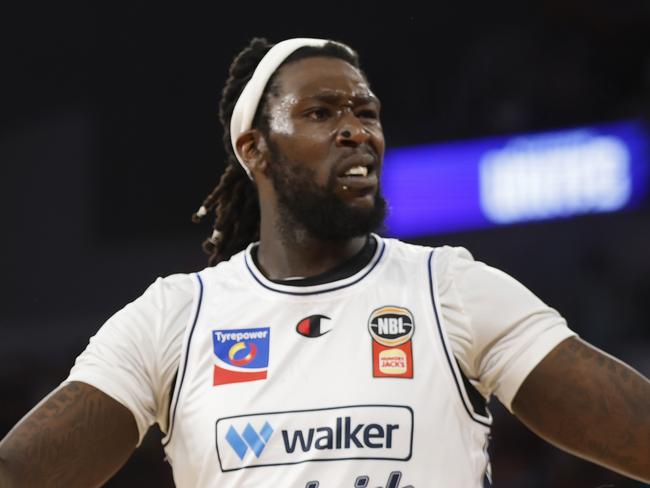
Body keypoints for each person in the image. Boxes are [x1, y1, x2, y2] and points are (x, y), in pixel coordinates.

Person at [1, 36, 649, 488]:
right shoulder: (174, 316)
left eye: (366, 112)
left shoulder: (450, 287)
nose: (357, 129)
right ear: (255, 150)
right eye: (322, 113)